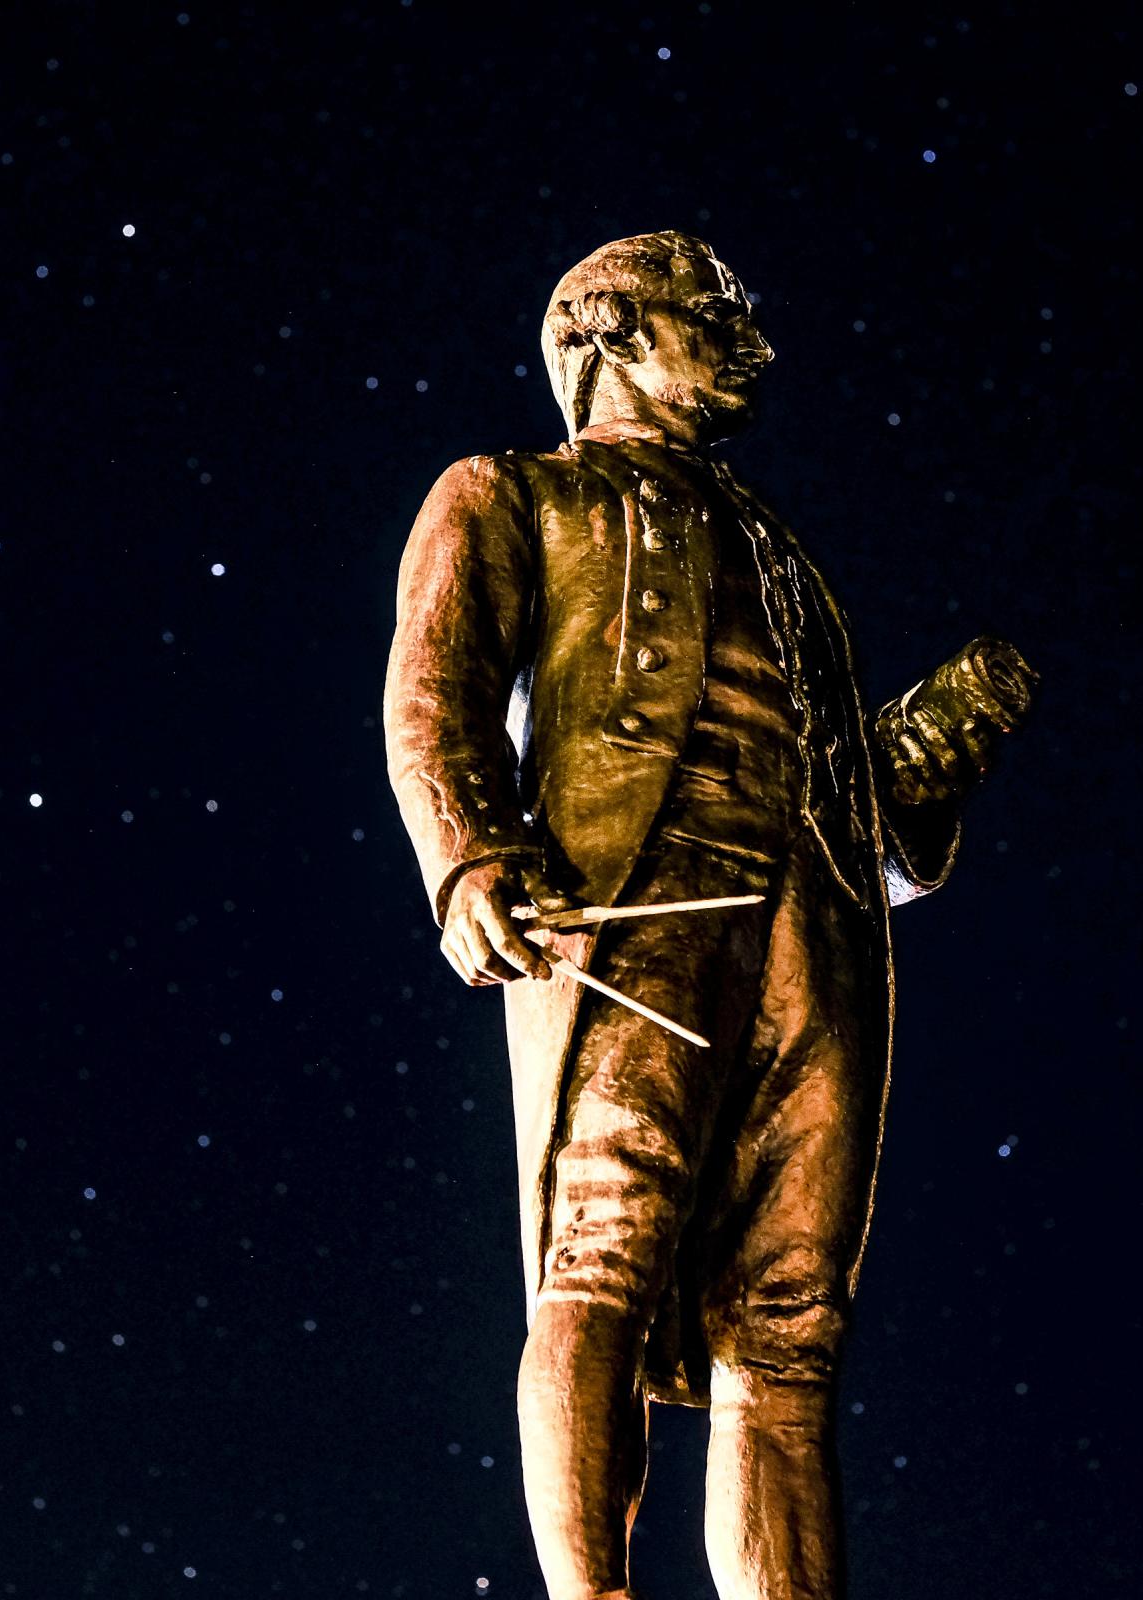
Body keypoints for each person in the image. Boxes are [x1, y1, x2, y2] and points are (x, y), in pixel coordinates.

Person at [383, 230, 1035, 1599]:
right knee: (603, 1251)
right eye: (719, 314)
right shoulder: (514, 495)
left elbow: (859, 803)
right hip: (634, 908)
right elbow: (433, 694)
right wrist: (470, 860)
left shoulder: (791, 561)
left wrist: (922, 754)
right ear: (611, 328)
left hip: (824, 938)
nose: (754, 346)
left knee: (792, 1332)